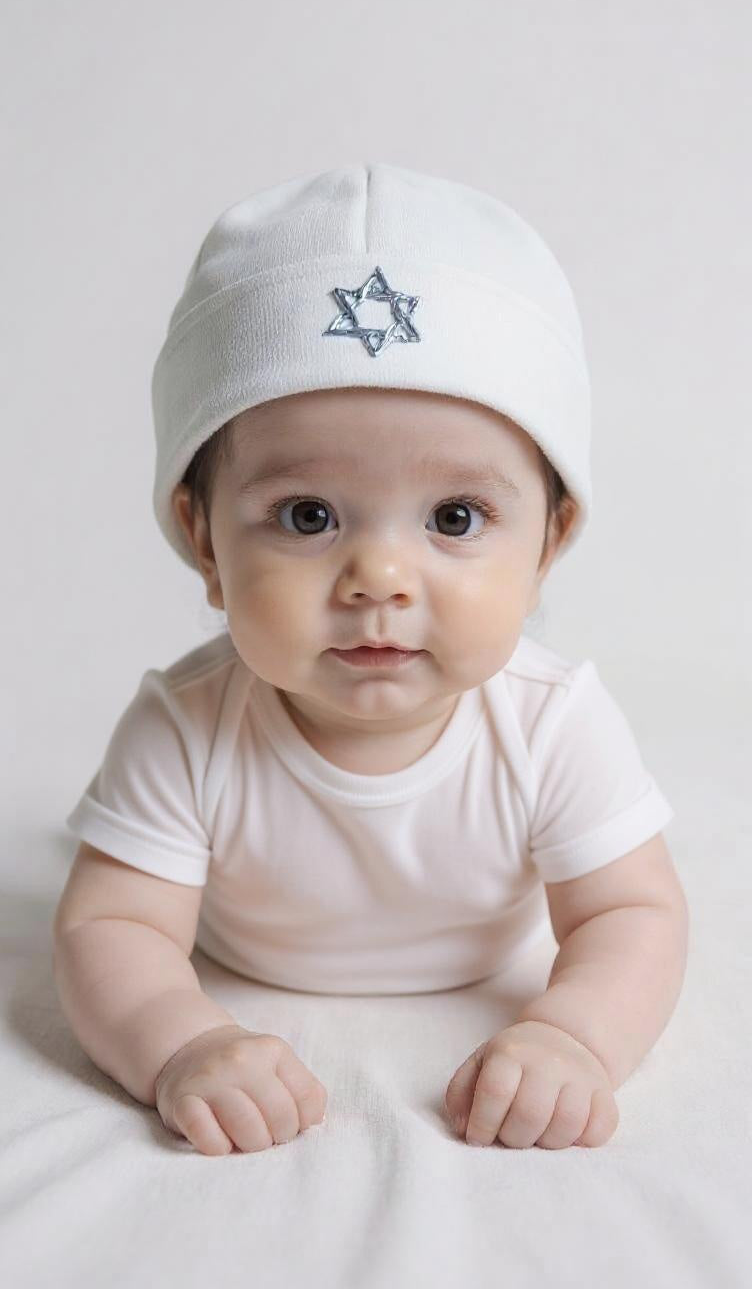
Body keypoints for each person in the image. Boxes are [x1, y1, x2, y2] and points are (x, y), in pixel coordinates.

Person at [53, 162, 688, 1157]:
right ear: (205, 541)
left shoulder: (552, 723)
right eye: (308, 516)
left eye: (454, 518)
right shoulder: (185, 726)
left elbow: (632, 914)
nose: (379, 579)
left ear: (547, 544)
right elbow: (111, 929)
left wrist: (574, 1035)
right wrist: (181, 1042)